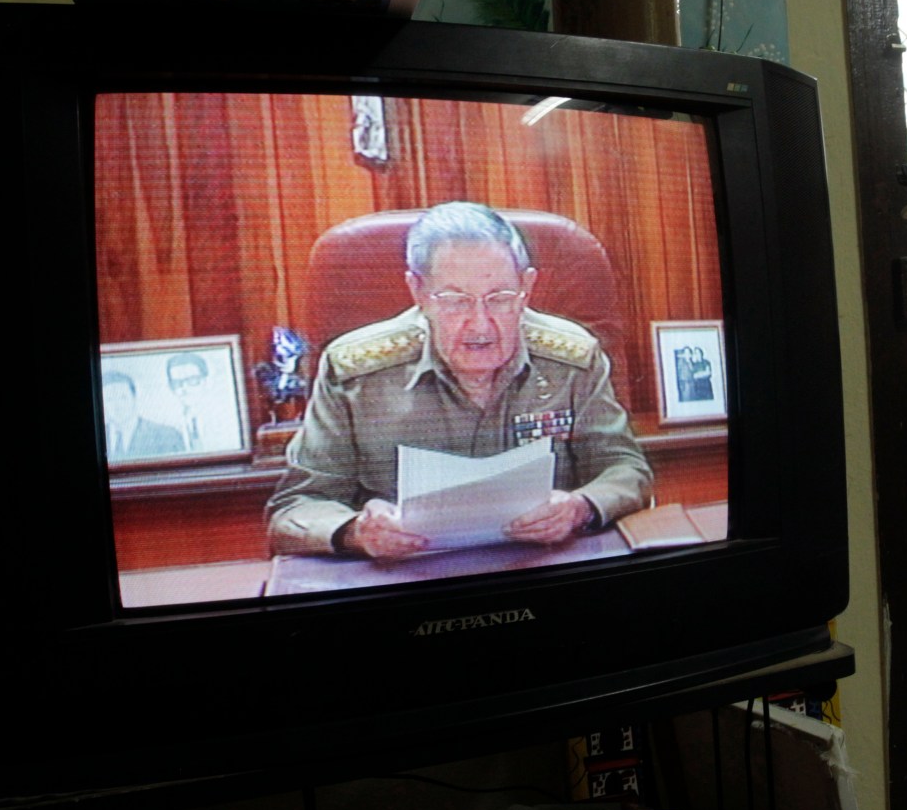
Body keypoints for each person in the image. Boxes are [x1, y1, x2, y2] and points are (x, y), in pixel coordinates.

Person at [266, 201, 653, 559]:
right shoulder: (355, 372)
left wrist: (578, 508)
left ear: (527, 288)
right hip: (408, 582)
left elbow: (625, 470)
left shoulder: (573, 359)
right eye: (455, 300)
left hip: (539, 570)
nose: (481, 325)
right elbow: (294, 508)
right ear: (418, 291)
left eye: (500, 297)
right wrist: (354, 531)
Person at [101, 370, 185, 458]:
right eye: (109, 399)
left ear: (134, 398)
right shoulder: (98, 437)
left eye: (123, 398)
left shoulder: (167, 435)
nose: (117, 406)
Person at [166, 352, 210, 451]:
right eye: (177, 383)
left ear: (206, 382)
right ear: (170, 387)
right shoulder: (168, 427)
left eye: (192, 380)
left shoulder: (228, 420)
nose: (185, 388)